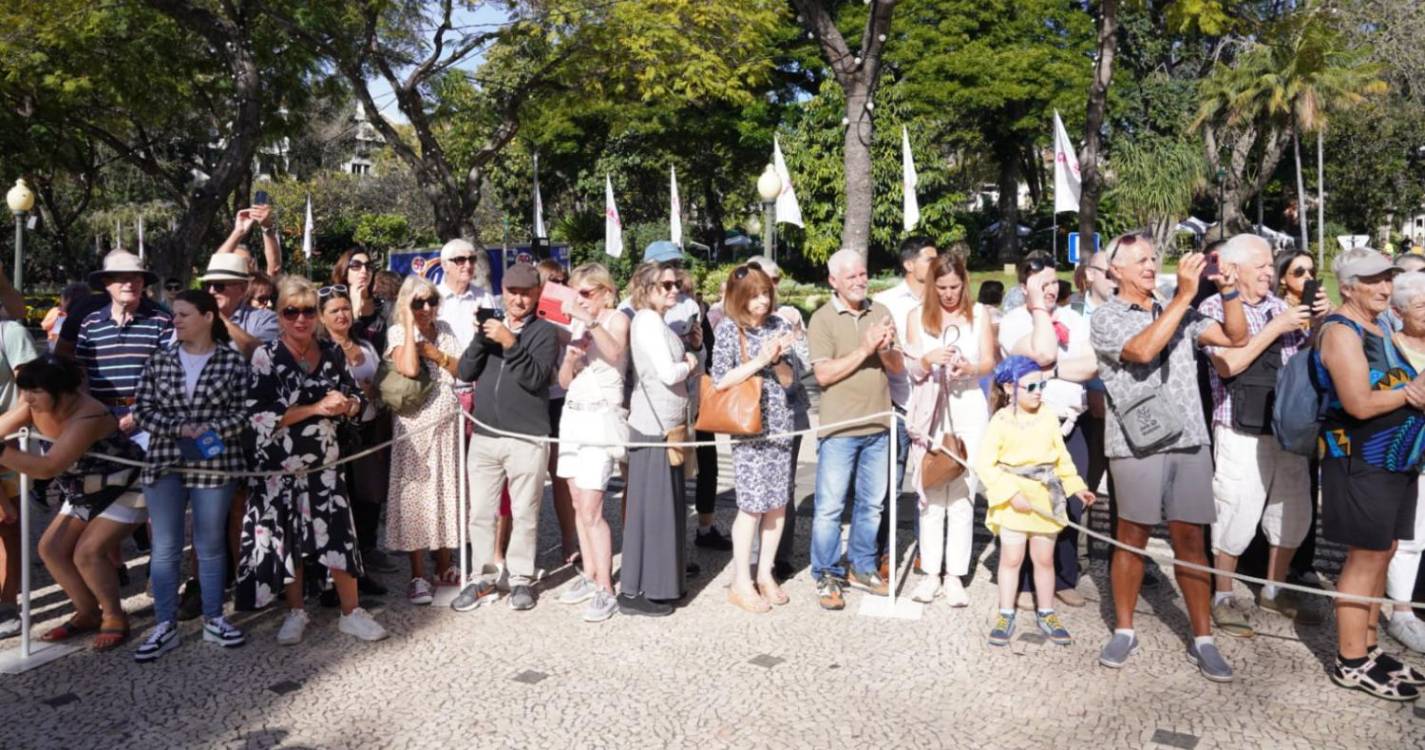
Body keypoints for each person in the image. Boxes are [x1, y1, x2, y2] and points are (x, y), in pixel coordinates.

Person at [1090, 232, 1248, 682]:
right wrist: (1181, 297)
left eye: (1153, 257)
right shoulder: (1107, 317)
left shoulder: (1178, 308)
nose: (1149, 264)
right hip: (1136, 443)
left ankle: (1203, 639)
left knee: (1192, 540)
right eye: (1139, 260)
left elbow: (1235, 337)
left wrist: (1229, 290)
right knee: (1131, 537)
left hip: (1189, 438)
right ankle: (1124, 628)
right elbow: (1141, 350)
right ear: (1114, 271)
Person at [236, 277, 386, 644]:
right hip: (282, 469)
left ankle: (351, 613)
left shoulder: (331, 353)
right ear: (279, 314)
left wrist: (349, 405)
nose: (300, 319)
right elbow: (259, 416)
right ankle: (296, 611)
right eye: (291, 312)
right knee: (289, 541)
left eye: (307, 311)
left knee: (338, 536)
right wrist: (316, 408)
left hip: (326, 466)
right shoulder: (265, 357)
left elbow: (356, 400)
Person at [1197, 235, 1324, 639]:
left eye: (1272, 265)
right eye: (1263, 266)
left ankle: (1274, 588)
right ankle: (1223, 595)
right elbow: (1229, 364)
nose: (1271, 272)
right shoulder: (1213, 307)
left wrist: (1322, 323)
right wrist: (1275, 328)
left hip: (1289, 426)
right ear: (1233, 270)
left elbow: (1314, 360)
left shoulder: (1281, 308)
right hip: (1240, 426)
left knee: (1293, 508)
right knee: (1236, 508)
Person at [1315, 247, 1425, 700]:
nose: (1384, 287)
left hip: (1397, 460)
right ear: (1349, 286)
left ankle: (1370, 645)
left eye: (1387, 279)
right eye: (1373, 280)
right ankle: (1350, 660)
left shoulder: (1378, 324)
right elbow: (1358, 403)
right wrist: (1411, 393)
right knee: (1365, 556)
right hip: (1358, 460)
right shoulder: (1341, 331)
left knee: (1385, 548)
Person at [131, 290, 250, 661]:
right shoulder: (159, 359)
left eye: (184, 314)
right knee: (165, 547)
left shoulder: (232, 361)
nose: (176, 320)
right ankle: (164, 624)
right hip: (165, 460)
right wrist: (180, 428)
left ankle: (214, 618)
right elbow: (143, 410)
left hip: (214, 461)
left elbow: (244, 411)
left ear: (207, 317)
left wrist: (210, 428)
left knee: (210, 543)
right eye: (175, 314)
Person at [0, 356, 145, 651]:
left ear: (63, 391)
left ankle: (114, 616)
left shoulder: (89, 415)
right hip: (83, 490)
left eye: (35, 391)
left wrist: (2, 452)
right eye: (24, 390)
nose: (27, 398)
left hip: (128, 486)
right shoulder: (32, 406)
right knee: (51, 549)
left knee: (88, 552)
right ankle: (88, 612)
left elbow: (48, 467)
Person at [451, 263, 559, 613]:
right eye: (513, 291)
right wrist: (482, 340)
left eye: (526, 292)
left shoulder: (544, 332)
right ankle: (483, 577)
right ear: (503, 291)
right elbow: (465, 371)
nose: (518, 299)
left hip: (526, 436)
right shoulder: (490, 326)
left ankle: (522, 579)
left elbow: (536, 378)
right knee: (480, 512)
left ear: (537, 294)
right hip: (484, 433)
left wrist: (510, 342)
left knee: (526, 512)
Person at [997, 253, 1097, 609]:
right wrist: (1039, 311)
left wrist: (1054, 373)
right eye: (1042, 285)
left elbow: (1089, 365)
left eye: (1054, 282)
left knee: (1070, 501)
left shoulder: (1073, 318)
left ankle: (1064, 576)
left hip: (1071, 424)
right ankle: (1023, 581)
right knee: (1028, 504)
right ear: (1025, 288)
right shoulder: (1012, 322)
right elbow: (1039, 352)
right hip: (1029, 429)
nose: (1051, 290)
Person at [807, 249, 905, 610]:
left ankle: (862, 566)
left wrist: (888, 348)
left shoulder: (880, 313)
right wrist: (865, 349)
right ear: (833, 281)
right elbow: (823, 375)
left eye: (863, 274)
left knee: (872, 505)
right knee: (830, 507)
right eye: (851, 276)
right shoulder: (821, 320)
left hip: (879, 424)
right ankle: (826, 573)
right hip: (839, 429)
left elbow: (896, 368)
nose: (861, 280)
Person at [976, 356, 1095, 646]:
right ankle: (1005, 612)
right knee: (1011, 559)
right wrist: (1009, 494)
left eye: (1042, 385)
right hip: (1014, 501)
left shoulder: (1048, 416)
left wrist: (1076, 486)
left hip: (1044, 499)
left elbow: (1061, 458)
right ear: (1008, 387)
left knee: (1044, 560)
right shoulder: (1000, 421)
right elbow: (985, 464)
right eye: (1031, 387)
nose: (1039, 391)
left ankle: (1047, 612)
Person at [903, 253, 995, 607]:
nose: (948, 294)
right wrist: (929, 359)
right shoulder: (917, 317)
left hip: (968, 406)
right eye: (941, 287)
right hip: (931, 410)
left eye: (955, 287)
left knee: (962, 491)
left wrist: (969, 367)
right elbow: (911, 367)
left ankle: (955, 574)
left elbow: (988, 361)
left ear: (964, 283)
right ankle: (930, 573)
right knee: (930, 490)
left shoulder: (980, 315)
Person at [711, 263, 804, 613]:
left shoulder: (779, 324)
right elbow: (720, 379)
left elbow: (790, 380)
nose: (762, 302)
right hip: (748, 427)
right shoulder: (727, 330)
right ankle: (741, 580)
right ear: (739, 298)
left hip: (781, 421)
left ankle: (766, 573)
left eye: (766, 293)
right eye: (754, 296)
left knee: (778, 501)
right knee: (751, 505)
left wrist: (779, 360)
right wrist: (761, 359)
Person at [613, 262, 696, 617]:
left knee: (664, 509)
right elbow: (666, 373)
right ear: (646, 288)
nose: (674, 289)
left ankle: (662, 582)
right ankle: (638, 588)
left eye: (676, 283)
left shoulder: (655, 321)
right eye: (665, 285)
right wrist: (690, 363)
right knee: (652, 511)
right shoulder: (646, 322)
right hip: (654, 428)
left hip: (665, 426)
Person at [552, 263, 629, 622]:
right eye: (575, 292)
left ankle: (605, 588)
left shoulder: (616, 319)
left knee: (593, 507)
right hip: (573, 416)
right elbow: (565, 382)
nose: (578, 300)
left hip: (600, 419)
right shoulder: (577, 326)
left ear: (605, 292)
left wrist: (590, 321)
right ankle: (590, 572)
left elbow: (614, 354)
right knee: (576, 499)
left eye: (586, 292)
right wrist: (570, 359)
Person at [383, 276, 464, 604]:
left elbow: (462, 369)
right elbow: (410, 369)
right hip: (415, 429)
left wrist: (437, 353)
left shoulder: (444, 328)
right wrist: (406, 321)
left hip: (448, 427)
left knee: (445, 493)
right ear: (406, 304)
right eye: (418, 302)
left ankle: (444, 566)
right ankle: (417, 574)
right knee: (416, 497)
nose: (427, 308)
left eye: (431, 300)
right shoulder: (397, 332)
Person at [318, 285, 395, 591]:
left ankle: (365, 557)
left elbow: (381, 378)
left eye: (344, 308)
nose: (341, 315)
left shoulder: (366, 344)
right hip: (339, 433)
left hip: (371, 428)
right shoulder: (321, 350)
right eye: (334, 311)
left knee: (369, 496)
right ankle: (338, 577)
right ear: (323, 318)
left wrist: (375, 391)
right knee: (342, 501)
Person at [873, 236, 938, 576]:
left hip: (935, 408)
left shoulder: (944, 298)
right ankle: (886, 553)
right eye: (930, 258)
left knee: (930, 484)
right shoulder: (885, 303)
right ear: (909, 264)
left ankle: (927, 550)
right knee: (890, 486)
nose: (936, 263)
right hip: (897, 404)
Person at [71, 252, 175, 450]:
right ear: (106, 283)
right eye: (123, 278)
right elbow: (81, 372)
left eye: (137, 278)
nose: (131, 284)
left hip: (148, 421)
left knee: (145, 478)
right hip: (98, 417)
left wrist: (137, 415)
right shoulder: (90, 323)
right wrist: (93, 413)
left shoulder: (162, 321)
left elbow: (169, 376)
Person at [1384, 271, 1425, 654]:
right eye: (1420, 306)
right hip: (1409, 455)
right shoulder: (1388, 348)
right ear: (1397, 312)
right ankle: (1401, 612)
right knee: (1411, 537)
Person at [537, 259, 580, 567]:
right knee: (527, 477)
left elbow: (580, 342)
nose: (559, 285)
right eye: (552, 280)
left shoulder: (572, 311)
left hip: (563, 398)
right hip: (534, 400)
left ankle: (570, 540)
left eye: (563, 280)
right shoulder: (529, 311)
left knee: (563, 474)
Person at [0, 315, 40, 638]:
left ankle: (6, 603)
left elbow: (34, 394)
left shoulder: (10, 333)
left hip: (6, 446)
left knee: (5, 525)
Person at [199, 253, 280, 361]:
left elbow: (263, 356)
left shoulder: (265, 319)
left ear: (243, 288)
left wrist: (222, 320)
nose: (211, 291)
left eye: (219, 285)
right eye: (207, 285)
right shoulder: (194, 317)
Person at [333, 249, 389, 354]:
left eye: (368, 266)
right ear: (345, 272)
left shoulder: (383, 304)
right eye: (356, 265)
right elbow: (337, 345)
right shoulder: (334, 305)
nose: (364, 271)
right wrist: (354, 312)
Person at [215, 206, 281, 278]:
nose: (250, 265)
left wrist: (266, 227)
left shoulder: (259, 287)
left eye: (250, 261)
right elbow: (218, 266)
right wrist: (238, 232)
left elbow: (274, 270)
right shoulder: (222, 286)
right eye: (243, 262)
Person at [41, 283, 90, 351]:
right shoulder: (94, 317)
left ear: (68, 300)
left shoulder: (69, 318)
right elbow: (45, 327)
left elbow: (57, 345)